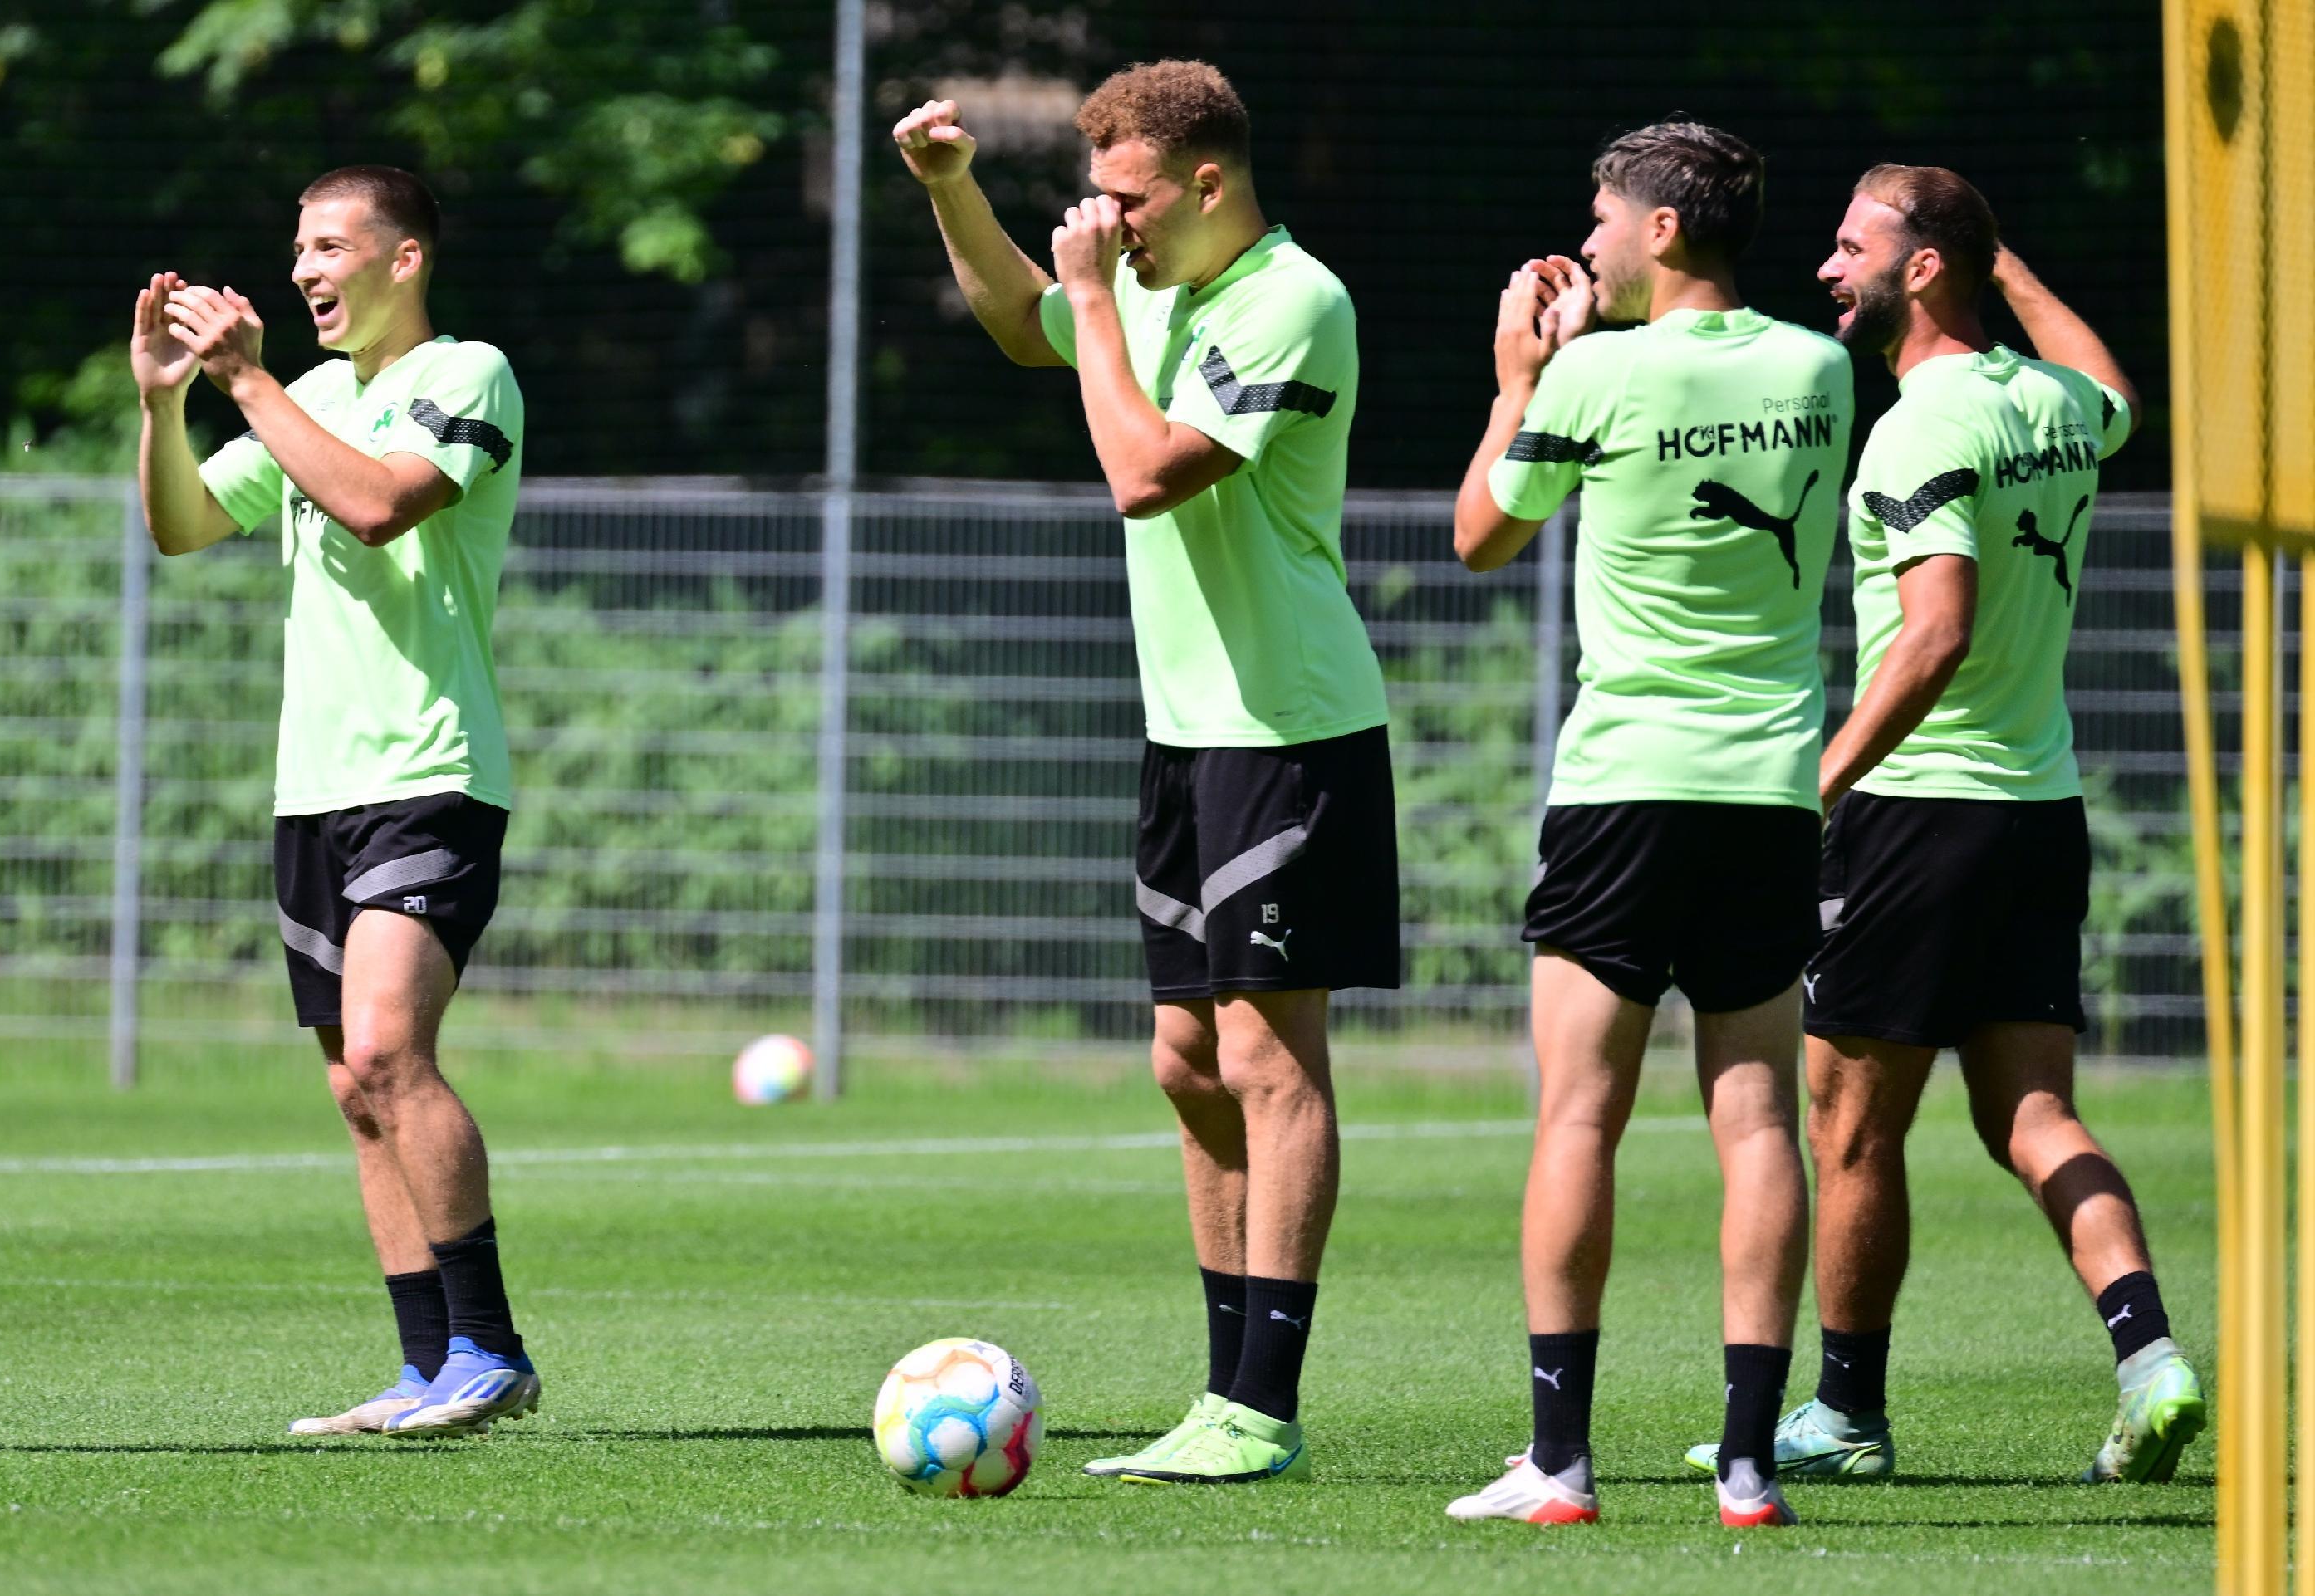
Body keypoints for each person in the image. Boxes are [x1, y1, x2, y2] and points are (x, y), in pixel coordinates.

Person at [892, 60, 1398, 1485]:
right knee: (1187, 1059)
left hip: (1289, 731)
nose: (1104, 224)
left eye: (1126, 198)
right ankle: (1220, 1391)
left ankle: (1262, 1406)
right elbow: (1021, 323)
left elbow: (1146, 469)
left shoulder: (1293, 298)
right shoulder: (1151, 284)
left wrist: (1101, 303)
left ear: (1206, 182)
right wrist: (953, 192)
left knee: (1269, 1058)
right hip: (1187, 737)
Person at [1685, 164, 2203, 1485]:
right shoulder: (2052, 405)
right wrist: (2002, 260)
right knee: (2033, 1111)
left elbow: (1936, 633)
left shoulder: (1919, 426)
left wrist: (1816, 783)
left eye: (1851, 246)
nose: (1826, 267)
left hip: (1918, 815)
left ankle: (1846, 1415)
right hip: (2039, 809)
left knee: (1851, 1125)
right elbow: (2119, 394)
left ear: (1921, 271)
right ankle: (2150, 1357)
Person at [1443, 123, 1853, 1529]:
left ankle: (1560, 1463)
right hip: (1768, 789)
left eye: (1604, 216)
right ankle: (1748, 1465)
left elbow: (1482, 535)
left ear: (1664, 229)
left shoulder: (1594, 375)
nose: (1590, 241)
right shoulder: (1819, 369)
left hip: (1624, 784)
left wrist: (1521, 380)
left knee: (1579, 1115)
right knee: (1760, 1120)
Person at [130, 164, 539, 1438]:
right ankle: (428, 1368)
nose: (303, 269)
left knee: (386, 1051)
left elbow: (377, 505)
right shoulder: (310, 396)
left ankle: (492, 1349)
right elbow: (184, 525)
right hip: (313, 789)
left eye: (327, 246)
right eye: (297, 248)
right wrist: (162, 406)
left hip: (428, 772)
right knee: (357, 1093)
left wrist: (245, 381)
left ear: (402, 259)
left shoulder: (468, 373)